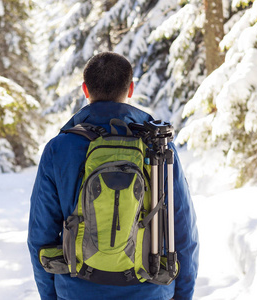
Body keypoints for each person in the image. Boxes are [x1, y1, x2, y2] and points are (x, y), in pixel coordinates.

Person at [28, 52, 199, 300]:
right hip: (149, 288)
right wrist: (182, 294)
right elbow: (183, 228)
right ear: (130, 89)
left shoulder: (59, 149)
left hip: (77, 290)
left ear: (86, 90)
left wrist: (51, 295)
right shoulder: (157, 145)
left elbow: (40, 236)